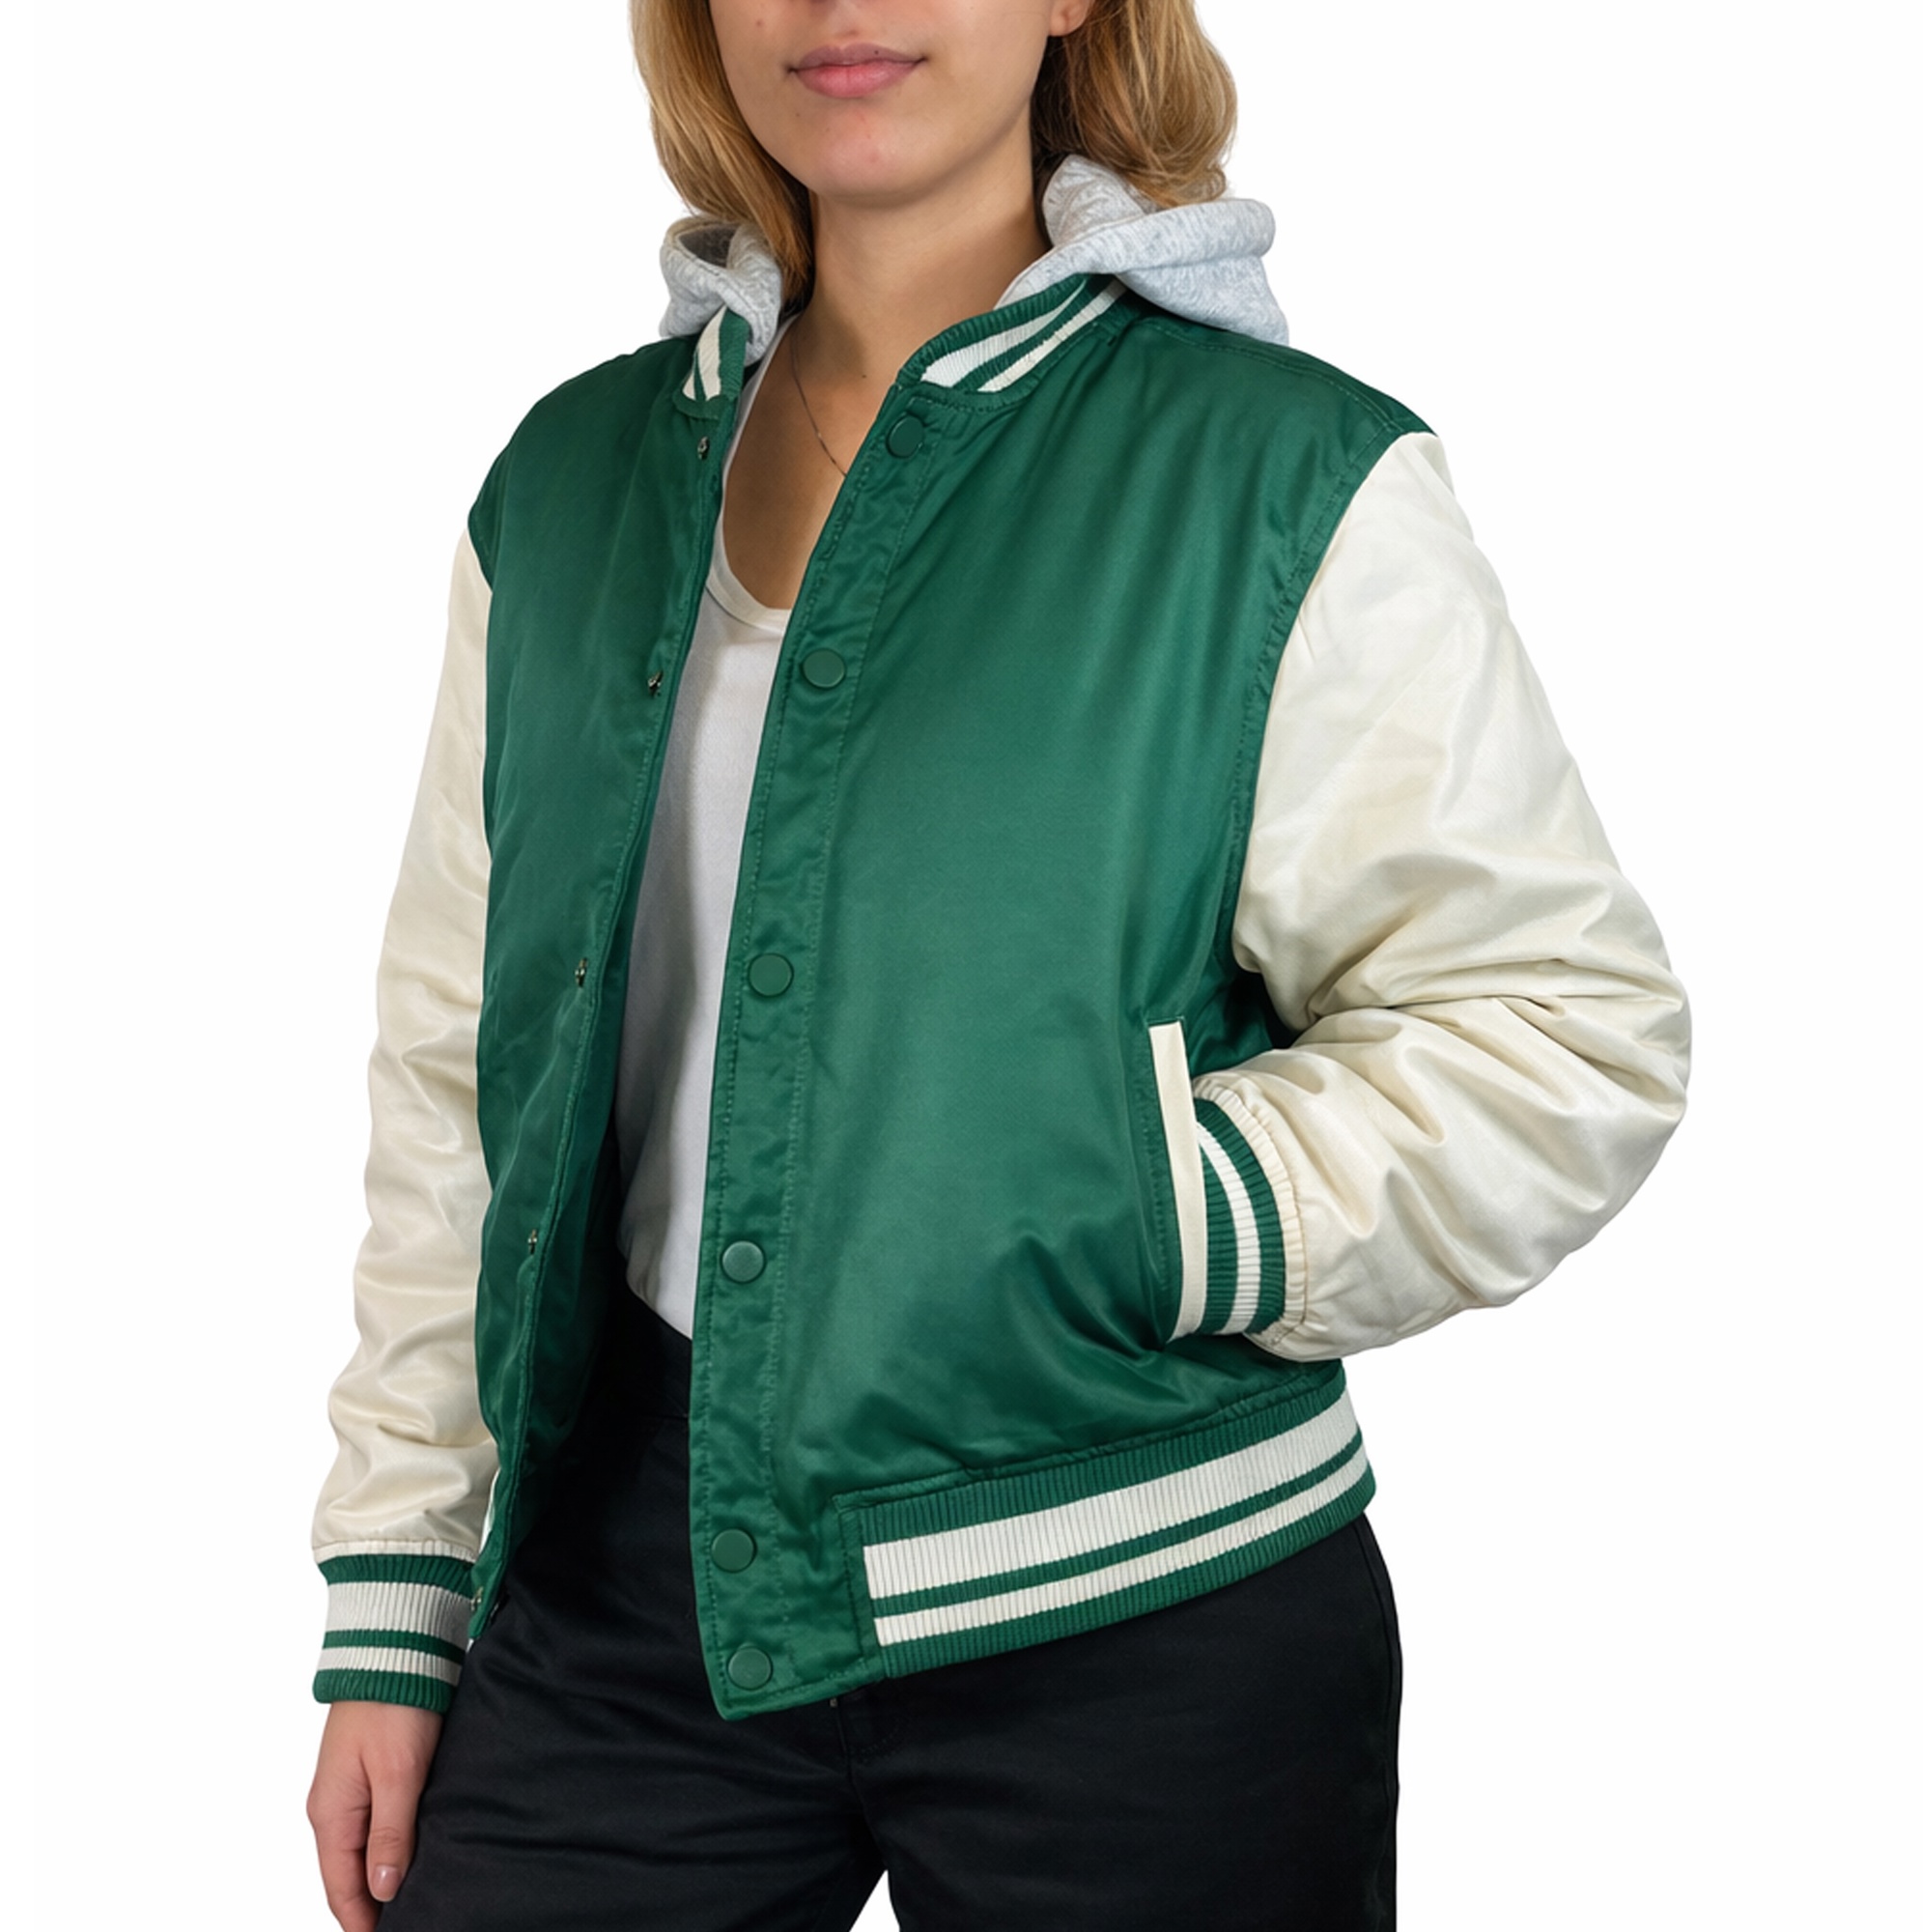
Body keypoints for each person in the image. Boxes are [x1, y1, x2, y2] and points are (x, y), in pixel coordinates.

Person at [303, 2, 1691, 1927]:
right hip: (628, 1595)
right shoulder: (567, 483)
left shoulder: (1279, 476)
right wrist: (399, 1594)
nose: (838, 7)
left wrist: (1147, 1206)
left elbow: (1561, 1029)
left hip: (1147, 1611)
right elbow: (466, 1070)